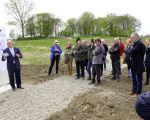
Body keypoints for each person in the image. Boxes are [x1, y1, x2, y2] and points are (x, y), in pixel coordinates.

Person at [130, 33, 146, 97]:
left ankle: (138, 92)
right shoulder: (134, 44)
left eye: (132, 37)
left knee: (138, 79)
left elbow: (132, 51)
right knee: (134, 78)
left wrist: (129, 49)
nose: (131, 39)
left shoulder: (140, 44)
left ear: (136, 37)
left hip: (138, 65)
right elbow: (129, 51)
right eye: (131, 37)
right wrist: (129, 49)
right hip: (133, 65)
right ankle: (134, 90)